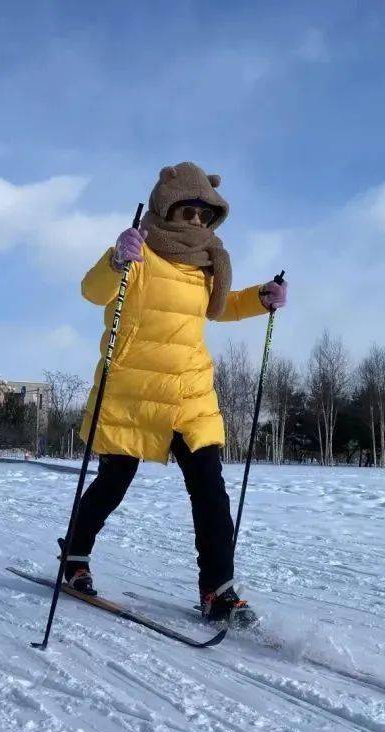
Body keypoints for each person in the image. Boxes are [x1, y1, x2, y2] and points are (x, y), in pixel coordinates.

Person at [63, 162, 288, 626]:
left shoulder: (208, 263)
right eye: (189, 213)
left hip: (189, 390)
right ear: (167, 207)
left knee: (209, 486)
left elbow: (219, 309)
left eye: (207, 217)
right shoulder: (140, 251)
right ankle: (75, 558)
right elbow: (92, 291)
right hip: (134, 387)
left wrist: (260, 298)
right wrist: (115, 261)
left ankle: (218, 589)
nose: (197, 224)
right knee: (113, 482)